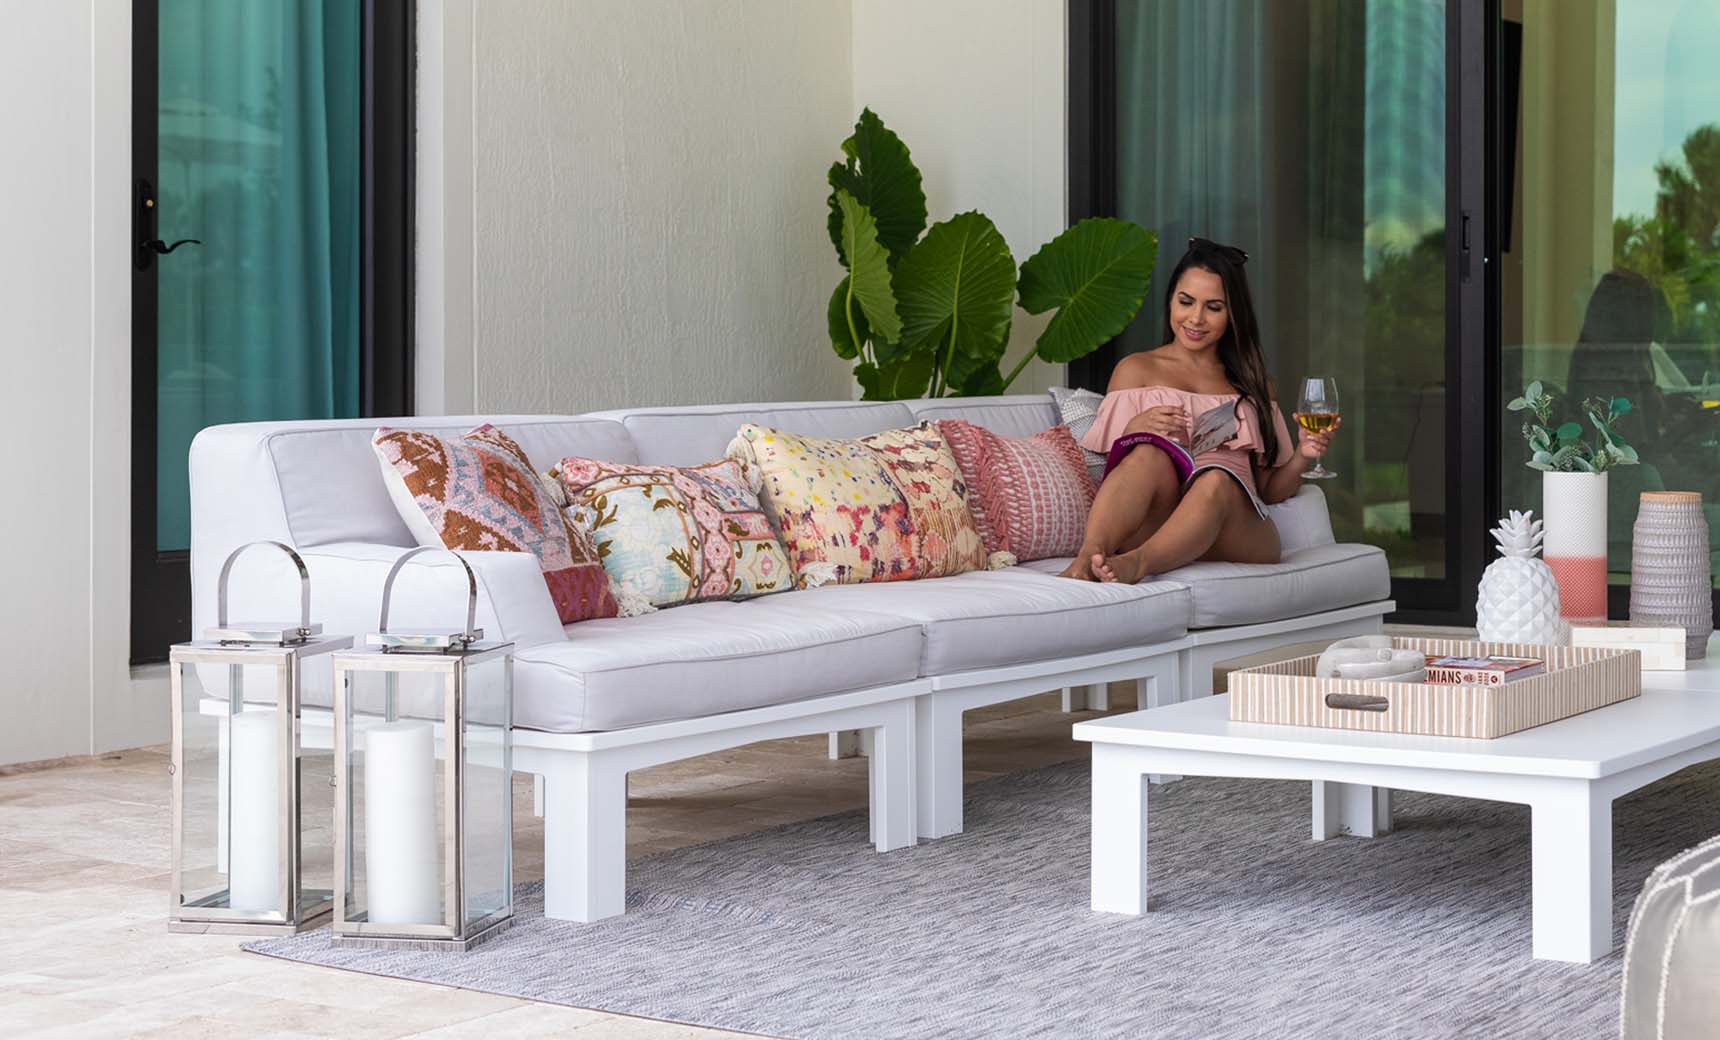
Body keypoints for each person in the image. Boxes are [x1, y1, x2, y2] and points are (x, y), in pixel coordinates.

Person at [1060, 237, 1339, 583]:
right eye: (1186, 301)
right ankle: (1089, 557)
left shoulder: (1253, 384)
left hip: (1233, 528)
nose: (1195, 318)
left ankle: (1140, 563)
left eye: (1214, 307)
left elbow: (1269, 490)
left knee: (1216, 480)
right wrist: (1135, 428)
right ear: (1171, 301)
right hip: (1160, 519)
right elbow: (1114, 473)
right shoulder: (1136, 370)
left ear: (1233, 314)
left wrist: (1303, 455)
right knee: (1147, 455)